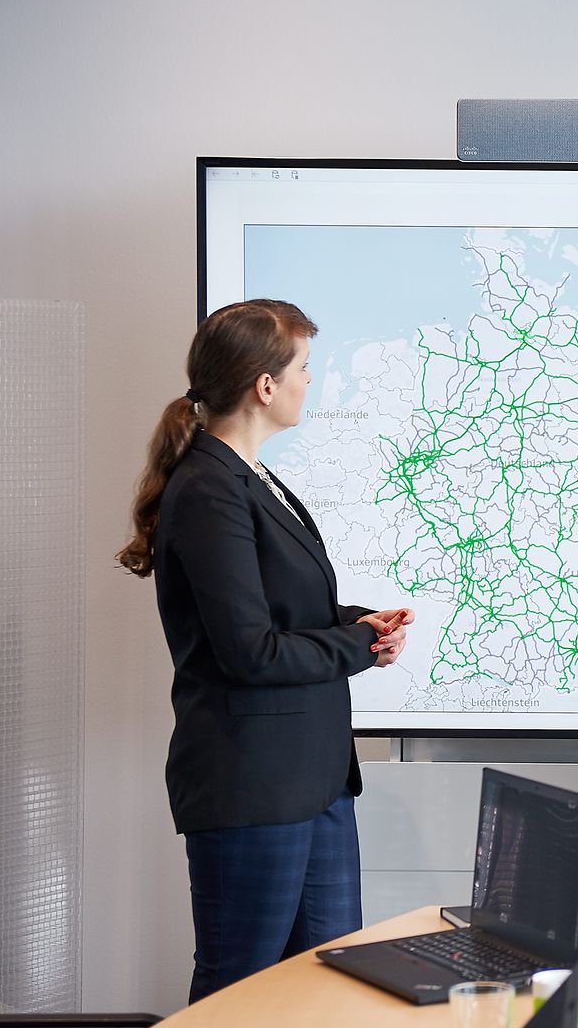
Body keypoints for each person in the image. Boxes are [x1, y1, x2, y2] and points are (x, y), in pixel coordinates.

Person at [116, 299, 415, 1002]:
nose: (313, 381)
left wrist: (358, 622)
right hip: (252, 790)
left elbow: (282, 608)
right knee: (239, 996)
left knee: (329, 991)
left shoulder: (256, 479)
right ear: (265, 386)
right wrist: (357, 648)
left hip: (314, 785)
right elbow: (250, 651)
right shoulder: (208, 490)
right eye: (304, 368)